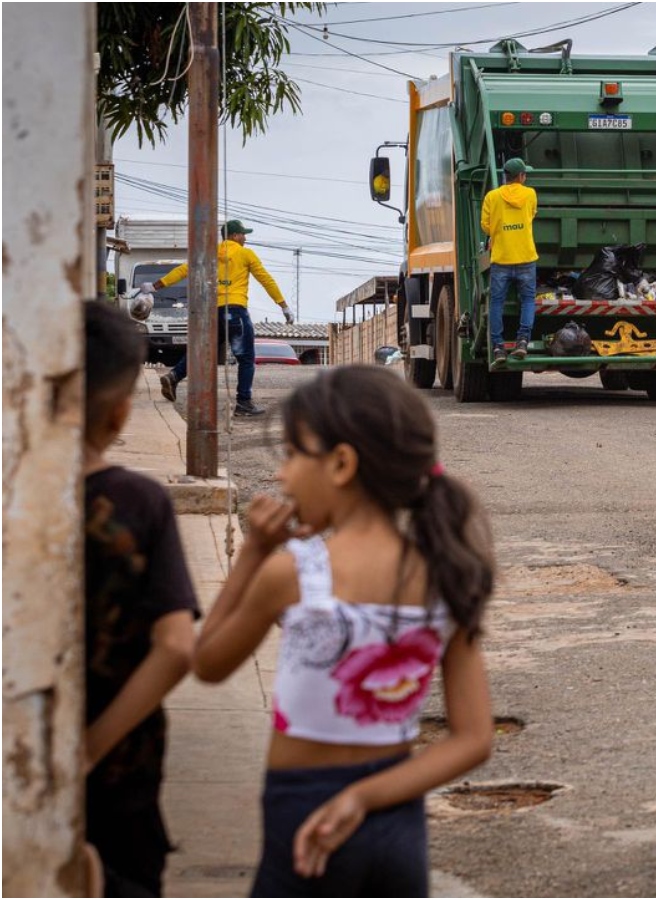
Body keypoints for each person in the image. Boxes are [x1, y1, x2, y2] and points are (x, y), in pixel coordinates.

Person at [192, 365, 496, 896]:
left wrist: (254, 556)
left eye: (291, 456)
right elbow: (473, 739)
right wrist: (364, 797)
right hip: (397, 825)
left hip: (302, 819)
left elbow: (208, 662)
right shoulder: (447, 574)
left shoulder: (295, 574)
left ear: (340, 463)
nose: (283, 476)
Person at [82, 301, 200, 896]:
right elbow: (178, 647)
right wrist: (88, 750)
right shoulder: (137, 503)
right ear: (122, 409)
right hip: (119, 771)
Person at [152, 219, 292, 417]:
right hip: (235, 312)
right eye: (243, 234)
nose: (245, 238)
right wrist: (283, 305)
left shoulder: (210, 253)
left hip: (213, 312)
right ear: (235, 235)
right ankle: (243, 402)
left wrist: (157, 285)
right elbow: (266, 279)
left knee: (202, 352)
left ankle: (174, 375)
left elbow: (185, 269)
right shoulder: (245, 254)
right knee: (246, 359)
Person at [480, 157, 538, 361]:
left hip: (501, 259)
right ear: (521, 176)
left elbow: (485, 227)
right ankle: (523, 340)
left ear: (505, 176)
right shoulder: (530, 194)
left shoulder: (491, 197)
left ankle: (498, 347)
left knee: (496, 303)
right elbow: (531, 215)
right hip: (526, 257)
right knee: (528, 300)